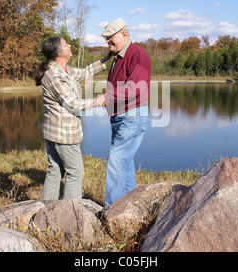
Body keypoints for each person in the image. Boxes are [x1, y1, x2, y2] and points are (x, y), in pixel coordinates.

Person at [34, 36, 110, 201]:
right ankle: (71, 210)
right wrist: (98, 101)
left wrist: (105, 59)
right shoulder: (54, 75)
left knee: (55, 170)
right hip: (63, 133)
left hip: (55, 131)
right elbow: (72, 103)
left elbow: (84, 73)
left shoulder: (63, 69)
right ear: (59, 52)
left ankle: (47, 207)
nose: (69, 45)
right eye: (65, 44)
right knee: (76, 172)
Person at [93, 19, 152, 207]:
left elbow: (136, 88)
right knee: (124, 162)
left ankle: (112, 210)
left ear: (124, 35)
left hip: (132, 116)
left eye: (111, 41)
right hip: (122, 116)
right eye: (107, 42)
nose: (108, 45)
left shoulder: (137, 55)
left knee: (116, 162)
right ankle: (130, 207)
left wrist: (106, 97)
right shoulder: (119, 56)